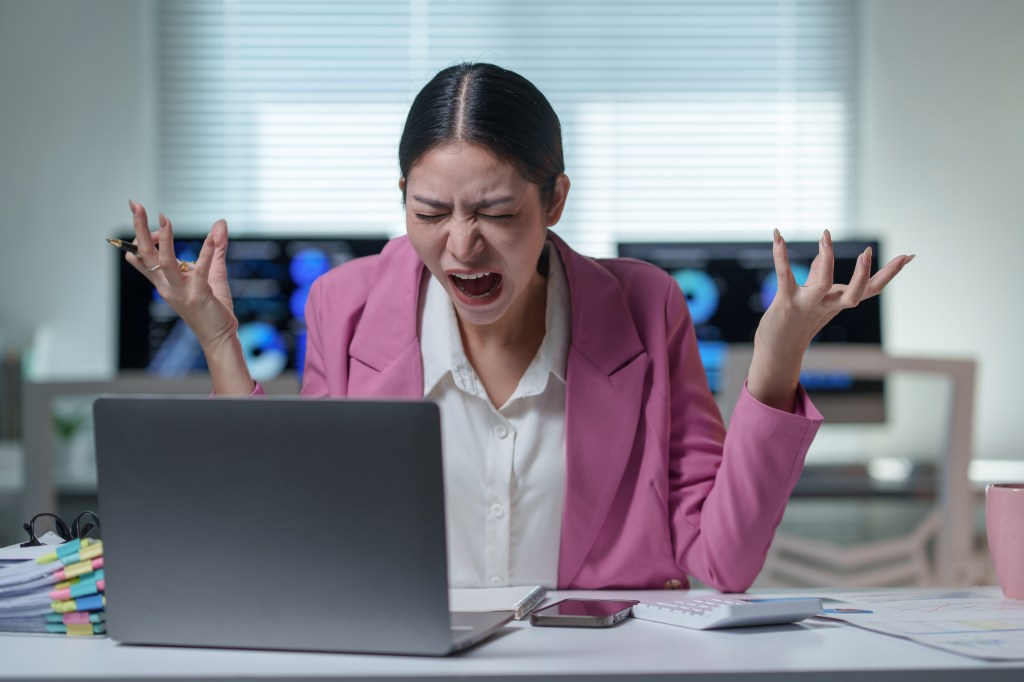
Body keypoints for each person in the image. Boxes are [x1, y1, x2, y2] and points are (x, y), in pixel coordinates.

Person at [124, 63, 913, 592]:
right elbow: (301, 548)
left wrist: (776, 359)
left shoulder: (648, 305)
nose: (461, 245)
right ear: (402, 195)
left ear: (555, 201)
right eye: (429, 212)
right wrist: (222, 343)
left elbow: (719, 566)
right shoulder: (346, 305)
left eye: (496, 213)